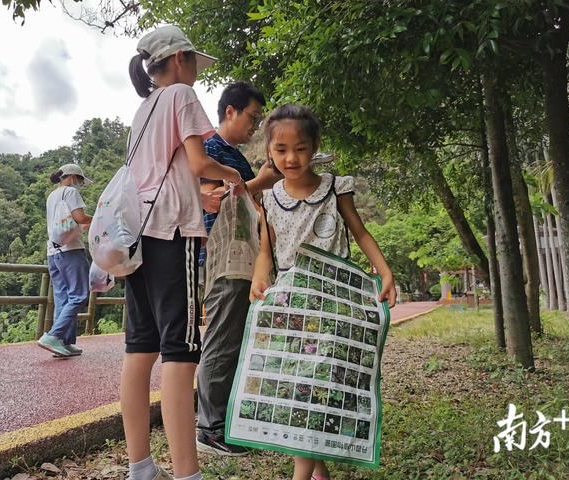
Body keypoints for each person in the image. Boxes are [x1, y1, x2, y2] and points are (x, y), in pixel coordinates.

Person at [249, 104, 397, 480]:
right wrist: (259, 278)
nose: (290, 157)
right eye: (280, 149)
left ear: (315, 146)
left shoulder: (335, 187)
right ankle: (319, 472)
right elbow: (267, 249)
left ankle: (302, 474)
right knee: (302, 386)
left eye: (300, 148)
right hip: (291, 306)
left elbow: (360, 232)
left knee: (316, 385)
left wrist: (384, 272)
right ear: (269, 151)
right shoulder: (268, 198)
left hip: (335, 305)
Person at [122, 25, 245, 480]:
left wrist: (201, 196)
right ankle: (187, 474)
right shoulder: (180, 96)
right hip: (173, 235)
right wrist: (232, 176)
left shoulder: (143, 111)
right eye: (194, 61)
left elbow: (166, 174)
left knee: (140, 349)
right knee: (180, 351)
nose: (196, 70)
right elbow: (199, 163)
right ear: (178, 59)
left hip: (138, 236)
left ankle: (141, 466)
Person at [196, 82, 282, 456]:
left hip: (245, 257)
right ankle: (210, 428)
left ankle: (226, 421)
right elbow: (215, 201)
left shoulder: (231, 155)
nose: (254, 125)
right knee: (222, 340)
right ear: (230, 111)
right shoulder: (209, 150)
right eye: (252, 116)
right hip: (222, 258)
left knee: (237, 342)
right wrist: (260, 181)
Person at [38, 163, 92, 358]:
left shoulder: (52, 195)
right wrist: (100, 218)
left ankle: (64, 341)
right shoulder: (70, 192)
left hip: (53, 252)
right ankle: (54, 336)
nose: (79, 184)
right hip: (71, 250)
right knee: (79, 294)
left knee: (63, 297)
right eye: (79, 180)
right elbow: (80, 217)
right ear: (71, 177)